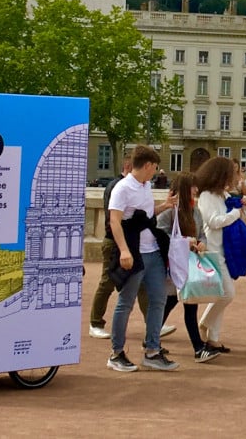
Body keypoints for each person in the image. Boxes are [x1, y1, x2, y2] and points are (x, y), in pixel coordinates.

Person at [106, 146, 179, 373]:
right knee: (125, 303)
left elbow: (146, 218)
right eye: (154, 168)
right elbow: (114, 221)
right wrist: (124, 251)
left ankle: (152, 351)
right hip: (134, 253)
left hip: (152, 251)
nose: (155, 173)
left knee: (158, 299)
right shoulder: (123, 188)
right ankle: (116, 353)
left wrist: (164, 207)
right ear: (147, 165)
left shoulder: (145, 186)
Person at [155, 173, 217, 363]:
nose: (196, 190)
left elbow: (202, 235)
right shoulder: (170, 212)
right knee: (189, 305)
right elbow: (160, 234)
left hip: (189, 263)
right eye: (193, 187)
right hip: (174, 265)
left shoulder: (194, 211)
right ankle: (198, 348)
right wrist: (186, 243)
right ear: (185, 189)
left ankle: (151, 339)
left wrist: (201, 244)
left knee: (171, 302)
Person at [88, 158, 152, 340]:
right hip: (115, 242)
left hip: (127, 241)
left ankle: (153, 321)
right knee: (107, 282)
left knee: (140, 284)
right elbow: (113, 219)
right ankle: (95, 323)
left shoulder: (135, 186)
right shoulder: (118, 187)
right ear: (129, 167)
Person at [195, 157, 246, 355]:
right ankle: (205, 324)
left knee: (220, 294)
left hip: (223, 249)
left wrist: (242, 209)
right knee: (227, 293)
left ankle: (213, 338)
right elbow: (214, 221)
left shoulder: (222, 195)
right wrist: (235, 212)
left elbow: (235, 218)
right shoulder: (207, 195)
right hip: (212, 250)